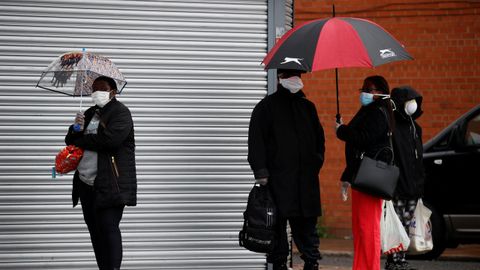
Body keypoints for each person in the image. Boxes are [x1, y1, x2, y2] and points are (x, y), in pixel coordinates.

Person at [247, 69, 325, 270]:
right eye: (290, 76)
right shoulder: (266, 107)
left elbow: (319, 141)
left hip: (305, 183)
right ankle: (279, 264)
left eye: (297, 75)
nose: (295, 79)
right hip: (278, 182)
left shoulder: (308, 107)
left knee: (307, 229)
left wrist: (315, 163)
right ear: (280, 78)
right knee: (276, 230)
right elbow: (256, 142)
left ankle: (311, 263)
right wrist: (261, 172)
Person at [65, 76, 137, 270]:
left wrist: (80, 139)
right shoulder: (89, 113)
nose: (96, 92)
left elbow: (108, 141)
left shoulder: (121, 113)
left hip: (110, 183)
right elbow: (70, 141)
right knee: (95, 232)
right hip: (86, 183)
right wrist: (75, 128)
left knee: (108, 229)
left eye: (101, 89)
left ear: (112, 92)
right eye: (93, 89)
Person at [335, 75, 394, 270]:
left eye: (370, 89)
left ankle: (370, 266)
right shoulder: (371, 110)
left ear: (380, 92)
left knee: (368, 228)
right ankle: (361, 266)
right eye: (364, 89)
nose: (365, 92)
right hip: (361, 176)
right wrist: (347, 177)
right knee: (361, 228)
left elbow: (363, 138)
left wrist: (342, 130)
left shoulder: (378, 112)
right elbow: (358, 144)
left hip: (370, 178)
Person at [385, 86, 425, 270]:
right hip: (398, 187)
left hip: (413, 187)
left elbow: (418, 158)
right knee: (397, 225)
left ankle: (400, 260)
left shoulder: (415, 128)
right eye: (410, 101)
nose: (413, 105)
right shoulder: (392, 127)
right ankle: (394, 261)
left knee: (407, 225)